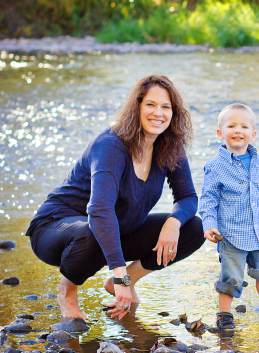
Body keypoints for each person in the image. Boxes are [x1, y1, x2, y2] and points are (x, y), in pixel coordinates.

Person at [26, 75, 205, 320]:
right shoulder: (111, 145)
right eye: (150, 105)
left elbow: (188, 197)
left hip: (116, 230)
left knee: (192, 227)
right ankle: (67, 292)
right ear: (137, 107)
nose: (158, 113)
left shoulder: (169, 146)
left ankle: (126, 282)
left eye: (166, 107)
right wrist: (119, 271)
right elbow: (99, 211)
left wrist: (173, 222)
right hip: (56, 228)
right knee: (92, 229)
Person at [199, 103, 259, 332]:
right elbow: (208, 199)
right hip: (231, 233)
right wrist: (209, 224)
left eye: (244, 126)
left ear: (253, 133)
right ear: (220, 133)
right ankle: (224, 314)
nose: (238, 130)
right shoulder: (215, 166)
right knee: (231, 276)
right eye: (231, 126)